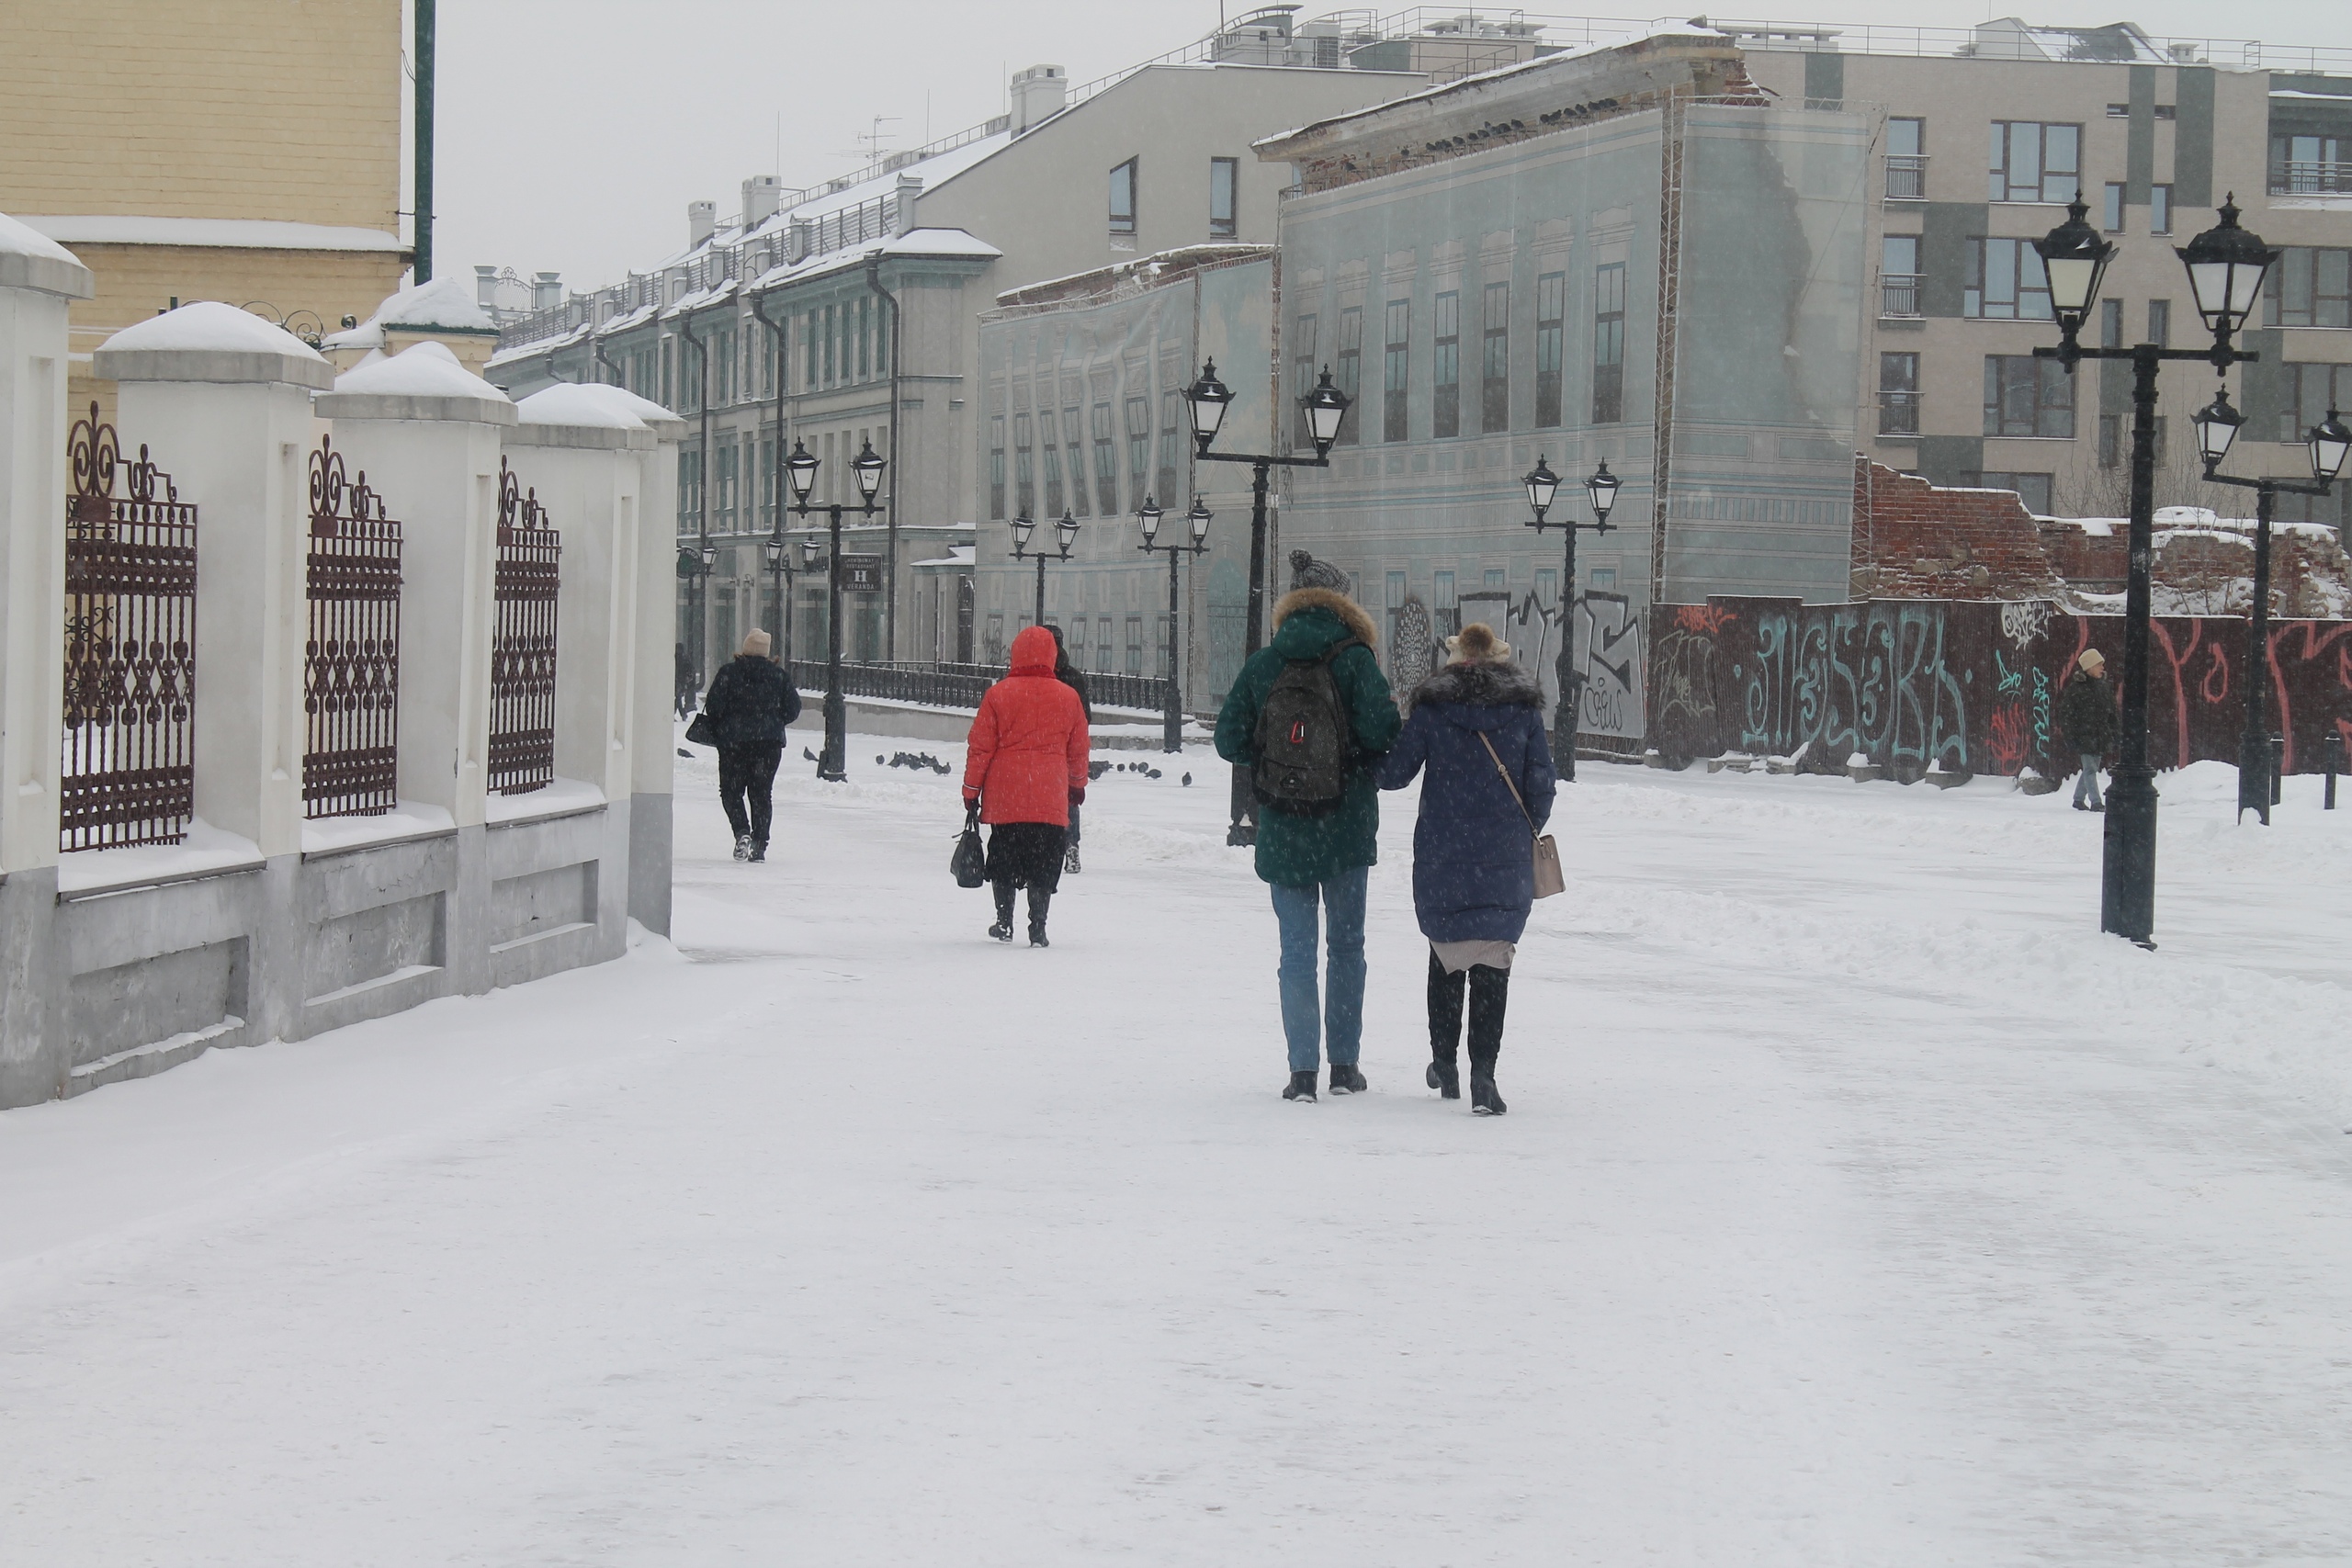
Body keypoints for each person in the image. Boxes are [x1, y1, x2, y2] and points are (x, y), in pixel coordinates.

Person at [1215, 581, 1400, 1102]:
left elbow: (1228, 738)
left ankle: (1302, 1074)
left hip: (1284, 825)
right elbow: (1385, 731)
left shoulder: (1265, 663)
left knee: (1295, 952)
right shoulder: (1356, 659)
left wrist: (1276, 762)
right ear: (1346, 614)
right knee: (1346, 946)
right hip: (1345, 824)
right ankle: (1344, 1065)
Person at [1378, 623, 1556, 1116]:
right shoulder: (1523, 713)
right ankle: (1484, 1075)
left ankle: (1445, 1065)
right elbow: (1542, 787)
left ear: (1454, 661)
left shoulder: (1434, 711)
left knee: (1447, 955)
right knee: (1493, 965)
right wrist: (1515, 829)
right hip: (1504, 860)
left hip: (1443, 855)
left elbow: (1393, 774)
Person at [963, 625, 1090, 947]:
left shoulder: (998, 694)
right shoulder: (1068, 696)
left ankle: (1004, 921)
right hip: (1049, 795)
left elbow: (980, 748)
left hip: (1007, 796)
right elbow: (1078, 748)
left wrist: (971, 791)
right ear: (1052, 655)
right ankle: (1038, 927)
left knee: (1004, 858)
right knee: (1044, 860)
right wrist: (1077, 785)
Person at [702, 628, 801, 862]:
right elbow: (793, 708)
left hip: (734, 744)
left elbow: (713, 706)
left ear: (744, 649)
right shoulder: (779, 676)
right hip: (768, 745)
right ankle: (760, 843)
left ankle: (742, 832)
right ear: (767, 653)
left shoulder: (729, 673)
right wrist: (773, 722)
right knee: (761, 794)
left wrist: (726, 726)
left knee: (731, 791)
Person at [1043, 624, 1092, 874]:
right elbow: (1085, 718)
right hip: (1065, 749)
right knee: (1069, 796)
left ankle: (1041, 845)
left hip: (1037, 750)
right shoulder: (1073, 677)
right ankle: (1071, 843)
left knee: (1038, 798)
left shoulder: (1030, 676)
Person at [2058, 647, 2117, 812]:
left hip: (2100, 736)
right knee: (2090, 769)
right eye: (2099, 665)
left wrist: (2114, 732)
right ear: (2089, 667)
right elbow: (2067, 715)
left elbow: (2112, 713)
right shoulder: (2076, 690)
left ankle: (2078, 799)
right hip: (2084, 736)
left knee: (2090, 769)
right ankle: (2096, 802)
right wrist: (2070, 735)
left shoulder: (2103, 688)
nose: (2102, 668)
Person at [673, 641, 696, 719]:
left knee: (678, 697)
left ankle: (680, 713)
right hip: (681, 681)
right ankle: (682, 713)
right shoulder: (685, 659)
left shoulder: (676, 658)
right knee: (678, 697)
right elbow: (691, 670)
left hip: (677, 680)